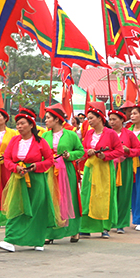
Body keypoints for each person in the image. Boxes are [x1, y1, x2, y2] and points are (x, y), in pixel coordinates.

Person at [0, 109, 55, 253]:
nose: (19, 126)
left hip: (36, 179)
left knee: (37, 209)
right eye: (17, 124)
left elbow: (50, 160)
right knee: (16, 208)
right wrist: (15, 167)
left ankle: (38, 240)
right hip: (18, 178)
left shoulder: (41, 142)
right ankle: (10, 240)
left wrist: (37, 166)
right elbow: (7, 158)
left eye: (22, 123)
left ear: (31, 125)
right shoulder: (14, 140)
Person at [42, 104, 84, 244]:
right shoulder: (44, 135)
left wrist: (69, 155)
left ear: (57, 120)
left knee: (69, 199)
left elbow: (80, 151)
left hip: (67, 171)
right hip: (49, 171)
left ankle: (74, 231)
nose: (45, 120)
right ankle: (51, 232)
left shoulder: (71, 134)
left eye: (48, 118)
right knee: (51, 200)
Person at [79, 106, 123, 238]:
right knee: (87, 195)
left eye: (91, 118)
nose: (89, 121)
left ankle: (104, 228)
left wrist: (106, 156)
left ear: (100, 118)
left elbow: (119, 150)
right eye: (88, 118)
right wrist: (88, 152)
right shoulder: (88, 133)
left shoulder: (110, 134)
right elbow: (83, 149)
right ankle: (85, 227)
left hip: (104, 169)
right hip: (90, 168)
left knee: (103, 196)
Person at [110, 109, 140, 234]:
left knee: (124, 194)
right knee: (110, 194)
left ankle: (121, 223)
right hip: (110, 165)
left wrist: (128, 151)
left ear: (122, 120)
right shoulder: (107, 133)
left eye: (114, 119)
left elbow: (138, 150)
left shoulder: (129, 134)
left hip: (125, 165)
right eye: (110, 119)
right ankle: (109, 222)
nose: (111, 122)